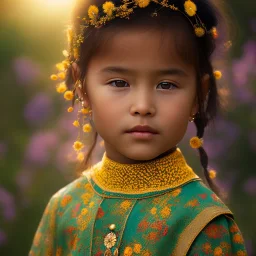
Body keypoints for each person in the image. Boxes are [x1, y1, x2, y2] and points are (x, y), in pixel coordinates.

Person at [29, 0, 248, 255]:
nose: (143, 106)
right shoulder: (64, 209)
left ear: (198, 95)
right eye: (119, 82)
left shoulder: (202, 222)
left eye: (166, 85)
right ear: (83, 89)